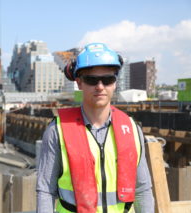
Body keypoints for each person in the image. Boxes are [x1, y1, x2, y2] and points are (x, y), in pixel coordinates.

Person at [36, 43, 154, 213]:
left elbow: (143, 190)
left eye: (107, 80)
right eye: (91, 80)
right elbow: (45, 190)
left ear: (114, 83)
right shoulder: (57, 131)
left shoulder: (132, 129)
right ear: (79, 83)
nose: (100, 86)